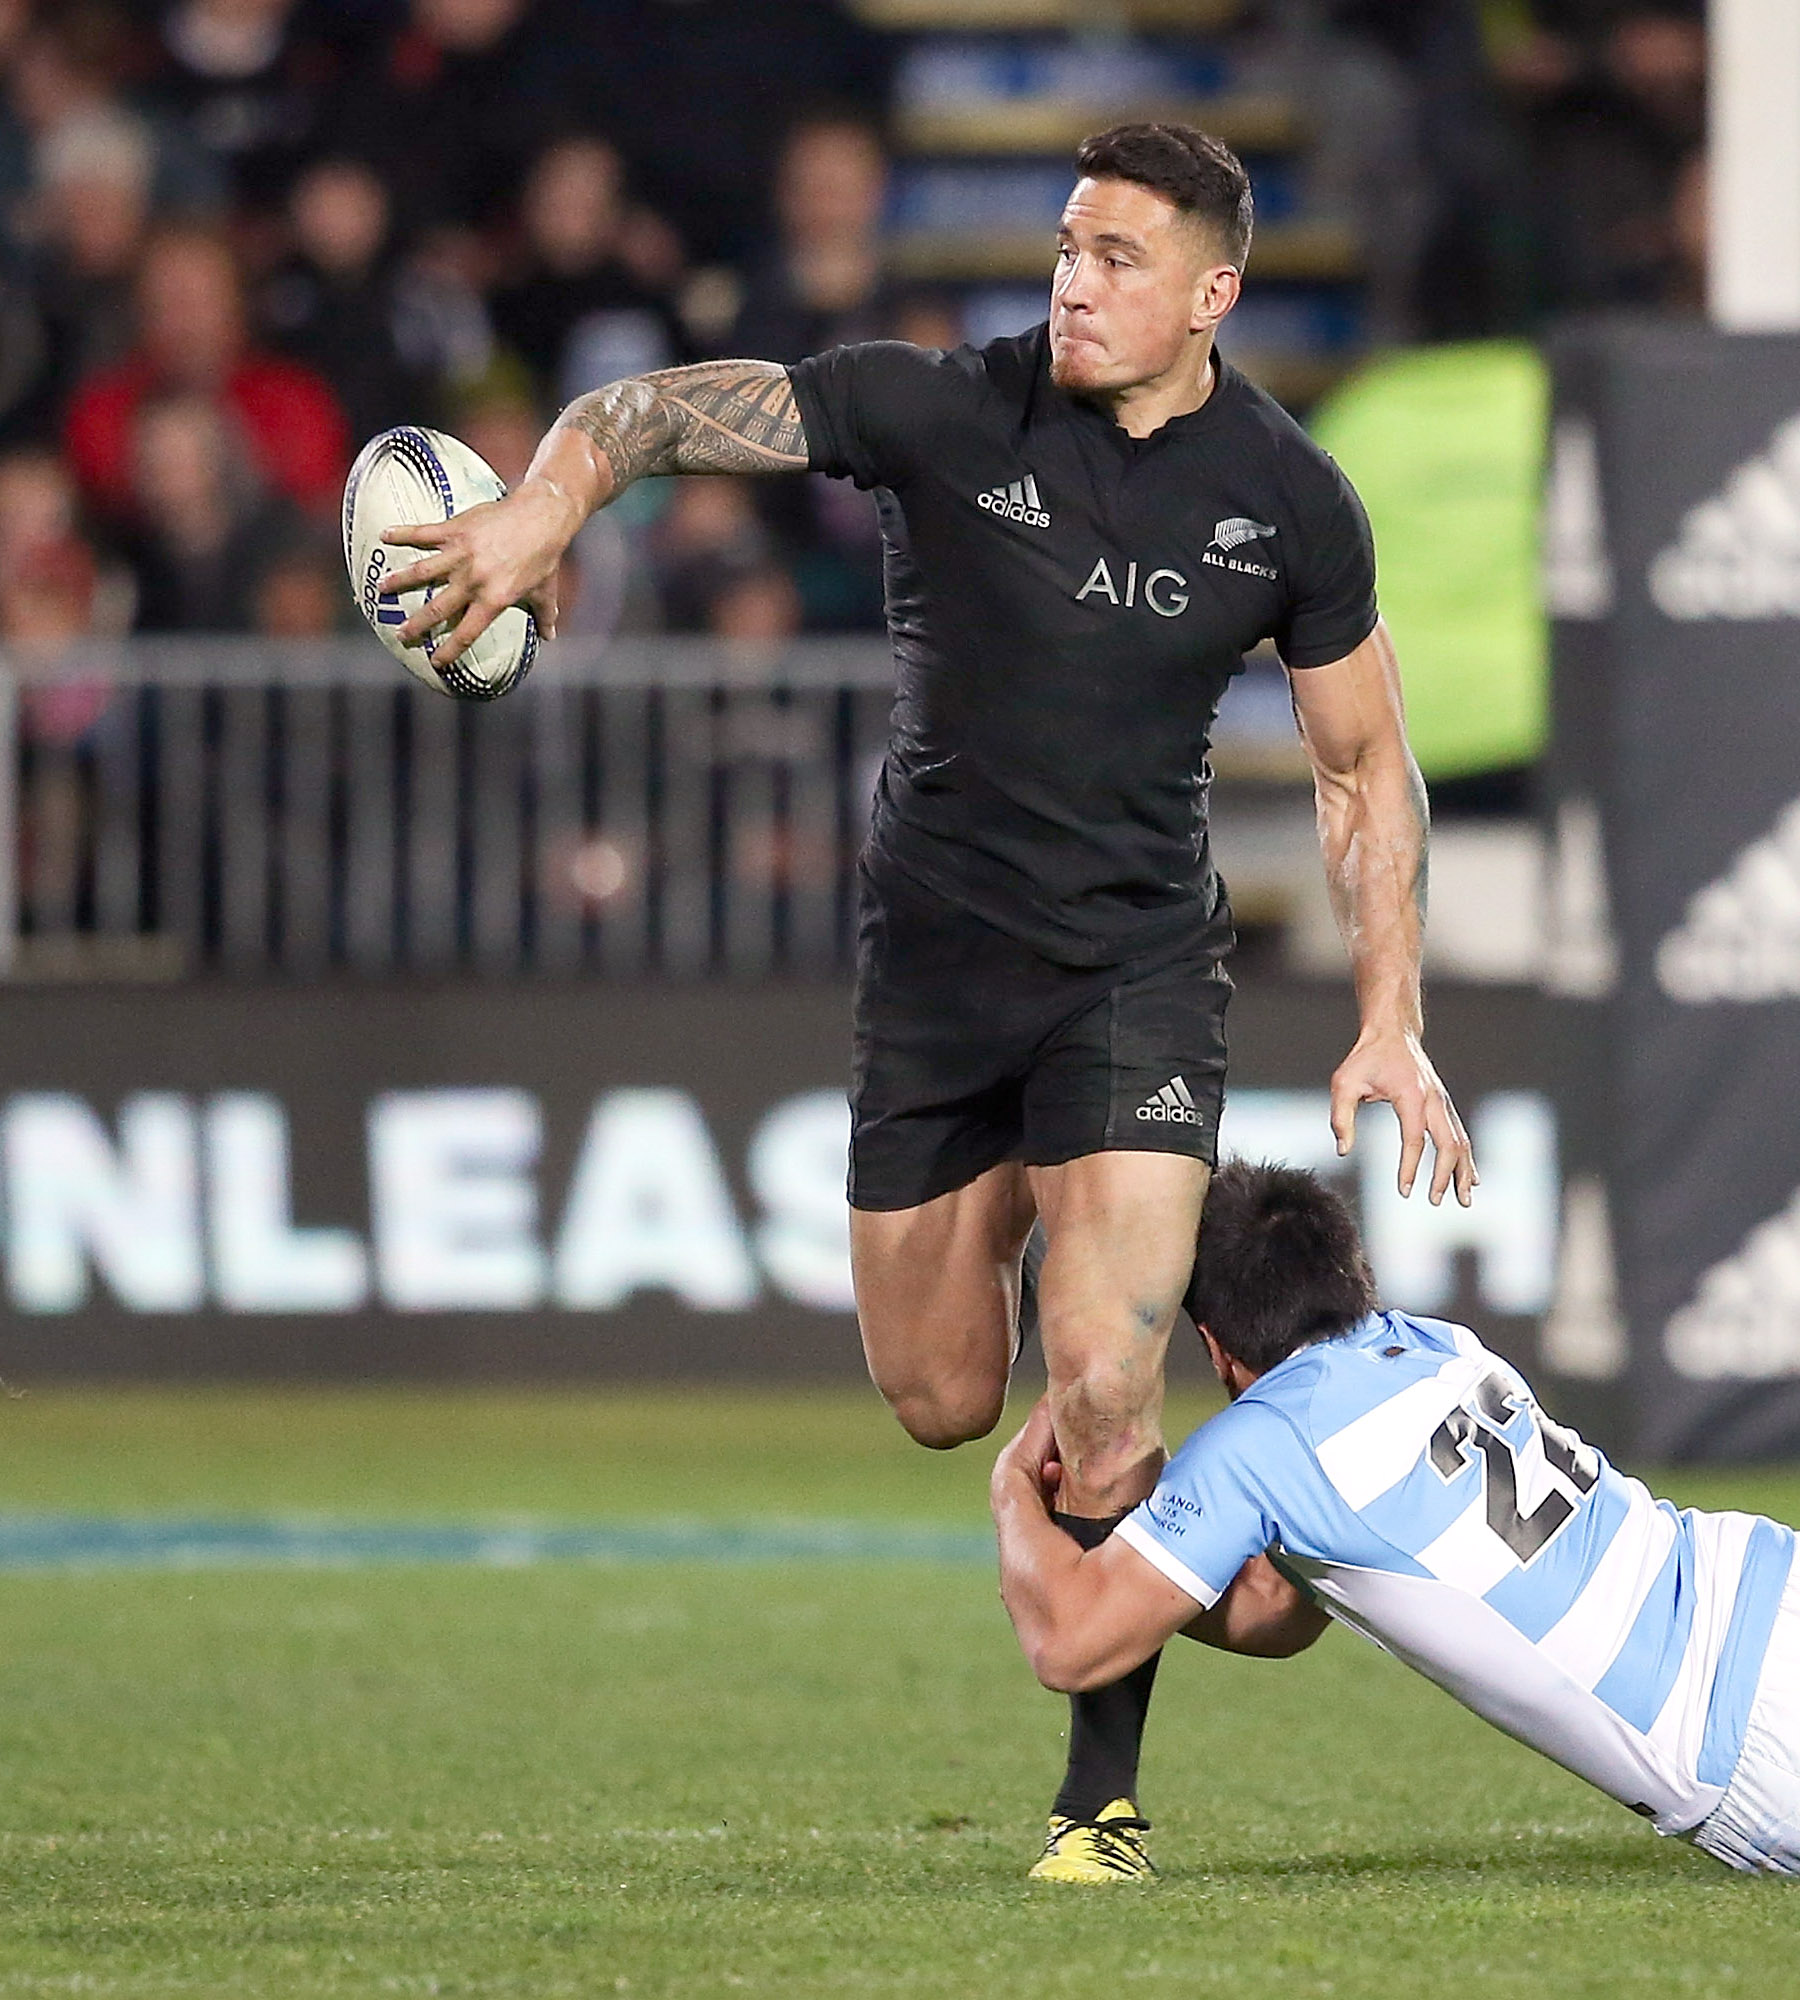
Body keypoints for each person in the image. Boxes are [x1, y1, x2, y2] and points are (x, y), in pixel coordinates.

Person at [377, 121, 1477, 1880]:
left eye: (1119, 257)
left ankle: (1095, 1803)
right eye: (1064, 243)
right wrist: (539, 504)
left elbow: (1363, 770)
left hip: (1134, 978)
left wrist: (1389, 1012)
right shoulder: (944, 412)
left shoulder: (1288, 495)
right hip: (937, 983)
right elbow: (652, 413)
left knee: (1109, 1383)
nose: (1073, 280)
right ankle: (1184, 1517)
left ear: (1214, 294)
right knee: (948, 1394)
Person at [991, 1159, 1800, 1877]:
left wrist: (1014, 1494)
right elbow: (1283, 1612)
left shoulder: (1267, 1443)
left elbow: (1070, 1645)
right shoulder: (1445, 1346)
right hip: (1765, 1572)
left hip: (1739, 1736)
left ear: (1214, 1342)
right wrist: (1156, 1551)